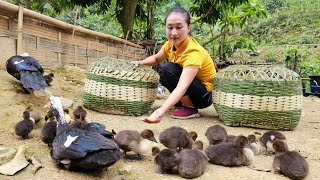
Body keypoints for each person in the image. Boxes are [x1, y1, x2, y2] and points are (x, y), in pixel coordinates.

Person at [132, 8, 216, 123]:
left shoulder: (193, 52)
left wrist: (161, 110)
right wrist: (140, 63)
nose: (174, 33)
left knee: (168, 68)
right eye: (170, 27)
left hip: (204, 96)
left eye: (179, 27)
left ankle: (189, 107)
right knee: (160, 69)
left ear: (188, 27)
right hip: (192, 87)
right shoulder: (169, 45)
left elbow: (183, 85)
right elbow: (156, 58)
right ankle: (179, 102)